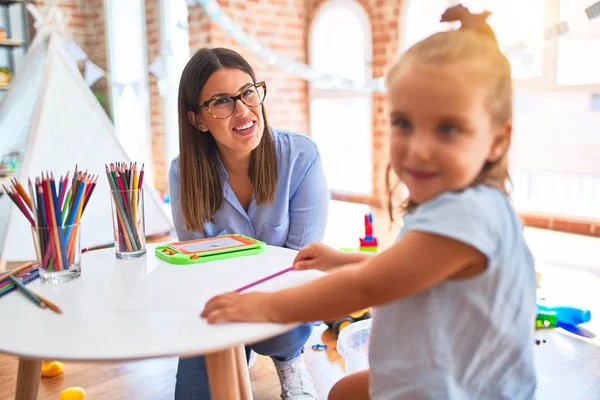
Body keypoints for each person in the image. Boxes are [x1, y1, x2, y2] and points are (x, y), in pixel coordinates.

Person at [200, 6, 537, 400]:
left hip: (460, 389)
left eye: (448, 128)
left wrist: (265, 307)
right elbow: (403, 268)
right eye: (403, 123)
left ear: (497, 140)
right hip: (434, 371)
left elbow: (368, 287)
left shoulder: (469, 215)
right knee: (343, 392)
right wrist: (339, 260)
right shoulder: (461, 205)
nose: (418, 148)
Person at [169, 47, 329, 399]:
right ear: (198, 119)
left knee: (283, 333)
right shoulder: (185, 172)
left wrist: (254, 306)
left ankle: (289, 360)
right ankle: (235, 358)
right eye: (222, 101)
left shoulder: (301, 157)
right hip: (224, 303)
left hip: (285, 300)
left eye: (247, 93)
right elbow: (197, 265)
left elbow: (299, 263)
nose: (243, 110)